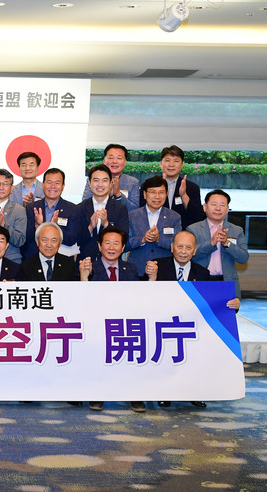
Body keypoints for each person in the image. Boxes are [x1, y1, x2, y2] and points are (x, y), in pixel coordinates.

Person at [144, 229, 241, 410]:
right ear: (172, 247)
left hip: (191, 327)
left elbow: (215, 301)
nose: (183, 251)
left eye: (188, 248)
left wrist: (233, 305)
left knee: (196, 356)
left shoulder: (203, 273)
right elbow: (143, 297)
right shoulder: (157, 266)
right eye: (179, 246)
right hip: (162, 325)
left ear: (195, 250)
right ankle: (165, 393)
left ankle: (194, 392)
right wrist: (152, 278)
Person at [78, 225, 143, 413]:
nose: (112, 247)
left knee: (132, 355)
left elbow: (139, 299)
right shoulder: (89, 267)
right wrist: (83, 276)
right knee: (97, 355)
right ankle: (97, 394)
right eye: (107, 243)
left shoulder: (131, 269)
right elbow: (81, 299)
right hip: (97, 324)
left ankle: (134, 395)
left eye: (116, 243)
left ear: (123, 248)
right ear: (99, 246)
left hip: (124, 323)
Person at [187, 189, 249, 299]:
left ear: (227, 209)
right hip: (200, 281)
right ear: (205, 207)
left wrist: (227, 243)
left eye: (222, 205)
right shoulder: (193, 229)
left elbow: (243, 258)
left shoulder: (236, 230)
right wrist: (211, 243)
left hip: (225, 281)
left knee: (224, 310)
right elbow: (188, 255)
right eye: (214, 204)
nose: (218, 208)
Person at [125, 176, 182, 276]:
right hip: (137, 269)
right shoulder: (132, 216)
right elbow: (124, 244)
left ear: (167, 194)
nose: (157, 196)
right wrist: (142, 239)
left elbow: (178, 245)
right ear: (145, 194)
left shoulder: (174, 217)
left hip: (164, 270)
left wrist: (159, 239)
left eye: (161, 192)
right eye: (152, 192)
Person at [141, 145, 205, 229]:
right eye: (167, 160)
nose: (171, 164)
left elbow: (197, 216)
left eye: (176, 161)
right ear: (161, 164)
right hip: (154, 231)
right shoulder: (149, 185)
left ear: (182, 165)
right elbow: (142, 211)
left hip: (183, 232)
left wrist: (184, 195)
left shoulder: (192, 187)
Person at [23, 167, 80, 260]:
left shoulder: (72, 209)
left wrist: (56, 227)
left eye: (57, 183)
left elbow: (72, 239)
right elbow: (26, 238)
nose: (53, 186)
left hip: (62, 260)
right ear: (43, 185)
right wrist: (37, 226)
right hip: (34, 259)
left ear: (63, 186)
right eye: (49, 182)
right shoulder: (31, 208)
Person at [76, 164, 129, 261]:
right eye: (96, 180)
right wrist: (90, 227)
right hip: (86, 262)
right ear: (89, 183)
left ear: (111, 183)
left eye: (104, 180)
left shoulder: (120, 208)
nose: (100, 185)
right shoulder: (79, 208)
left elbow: (124, 239)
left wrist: (106, 224)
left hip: (111, 263)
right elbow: (77, 240)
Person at [82, 143, 141, 211]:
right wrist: (106, 195)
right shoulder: (94, 180)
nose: (114, 161)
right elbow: (84, 205)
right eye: (111, 158)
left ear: (125, 162)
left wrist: (118, 195)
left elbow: (134, 209)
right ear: (104, 161)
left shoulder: (132, 182)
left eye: (119, 158)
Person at [0, 169, 26, 263]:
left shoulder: (19, 210)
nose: (1, 187)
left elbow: (20, 240)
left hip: (11, 260)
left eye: (5, 184)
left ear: (11, 188)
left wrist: (4, 225)